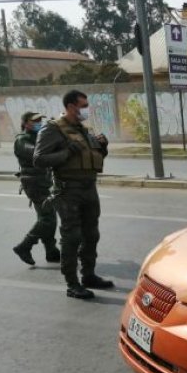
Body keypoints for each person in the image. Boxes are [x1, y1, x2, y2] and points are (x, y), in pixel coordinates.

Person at [33, 90, 114, 300]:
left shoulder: (84, 130)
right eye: (83, 106)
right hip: (67, 190)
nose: (86, 110)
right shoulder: (52, 129)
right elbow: (39, 159)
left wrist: (103, 148)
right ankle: (72, 284)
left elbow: (91, 156)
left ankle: (88, 275)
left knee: (91, 234)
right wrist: (68, 151)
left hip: (89, 187)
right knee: (72, 237)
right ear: (70, 106)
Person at [12, 111, 60, 266]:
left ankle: (51, 251)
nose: (39, 122)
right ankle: (24, 246)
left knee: (48, 217)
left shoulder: (38, 137)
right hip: (33, 183)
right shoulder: (22, 140)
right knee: (47, 218)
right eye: (35, 121)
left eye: (40, 120)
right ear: (26, 123)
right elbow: (39, 154)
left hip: (43, 182)